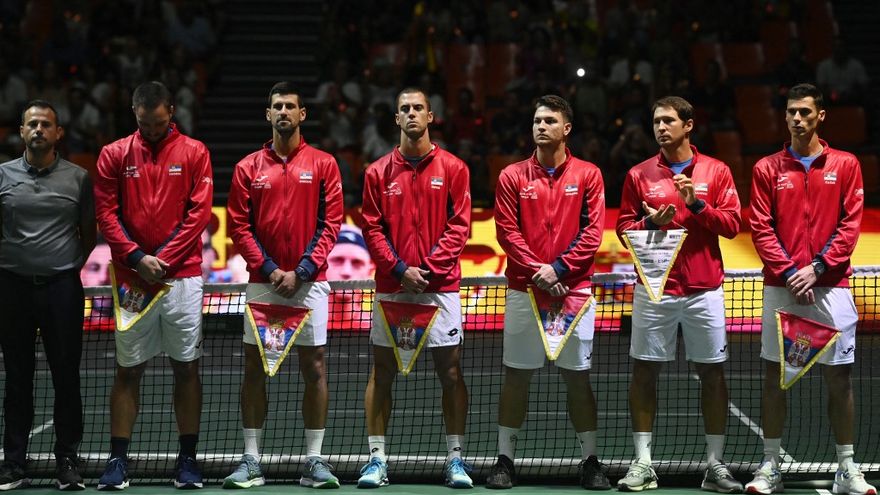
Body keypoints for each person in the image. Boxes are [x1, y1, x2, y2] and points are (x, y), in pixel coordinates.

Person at [747, 83, 875, 495]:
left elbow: (850, 225)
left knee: (840, 378)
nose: (797, 119)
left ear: (821, 115)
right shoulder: (767, 168)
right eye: (791, 112)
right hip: (782, 287)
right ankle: (770, 466)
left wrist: (817, 268)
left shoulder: (846, 164)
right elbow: (760, 226)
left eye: (804, 112)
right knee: (775, 377)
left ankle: (847, 468)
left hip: (831, 286)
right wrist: (790, 272)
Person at [615, 96, 742, 492]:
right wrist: (649, 223)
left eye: (668, 120)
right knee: (644, 372)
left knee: (712, 373)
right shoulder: (638, 174)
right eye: (656, 121)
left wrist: (697, 204)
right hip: (655, 289)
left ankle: (715, 465)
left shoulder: (716, 171)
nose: (660, 127)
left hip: (705, 290)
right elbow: (623, 229)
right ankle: (642, 463)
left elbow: (733, 225)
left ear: (688, 125)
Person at [93, 81, 213, 490]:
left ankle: (187, 460)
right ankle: (117, 460)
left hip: (182, 277)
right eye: (145, 124)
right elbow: (106, 213)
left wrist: (161, 259)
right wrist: (136, 258)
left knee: (187, 367)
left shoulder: (195, 152)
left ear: (171, 112)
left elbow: (199, 214)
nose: (152, 131)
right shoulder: (114, 154)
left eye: (159, 124)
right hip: (133, 280)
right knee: (128, 369)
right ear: (135, 113)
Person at [225, 81, 344, 489]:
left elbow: (332, 222)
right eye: (277, 106)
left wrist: (303, 270)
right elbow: (239, 226)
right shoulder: (247, 168)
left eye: (290, 106)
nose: (283, 112)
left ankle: (314, 460)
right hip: (264, 283)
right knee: (254, 368)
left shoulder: (324, 164)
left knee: (315, 367)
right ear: (268, 114)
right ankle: (251, 460)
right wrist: (271, 269)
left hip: (310, 283)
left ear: (302, 114)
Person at [487, 95, 609, 490]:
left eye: (550, 121)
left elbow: (593, 232)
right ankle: (505, 460)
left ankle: (590, 461)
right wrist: (539, 272)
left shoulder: (589, 174)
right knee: (516, 377)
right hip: (524, 289)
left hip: (574, 291)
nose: (541, 126)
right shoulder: (512, 176)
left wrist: (559, 269)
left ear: (566, 128)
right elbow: (507, 231)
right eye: (537, 120)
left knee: (578, 378)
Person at [359, 87, 472, 488]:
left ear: (430, 116)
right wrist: (399, 269)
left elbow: (460, 225)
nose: (411, 114)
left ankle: (455, 459)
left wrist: (427, 270)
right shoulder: (376, 173)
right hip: (393, 286)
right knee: (382, 372)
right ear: (396, 118)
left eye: (418, 108)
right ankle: (376, 460)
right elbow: (371, 228)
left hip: (440, 288)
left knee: (451, 372)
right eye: (404, 109)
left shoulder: (454, 168)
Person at [0, 100, 96, 491]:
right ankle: (14, 463)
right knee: (17, 377)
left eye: (46, 124)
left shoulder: (78, 178)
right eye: (32, 124)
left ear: (58, 133)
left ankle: (67, 461)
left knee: (66, 376)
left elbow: (88, 233)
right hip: (12, 288)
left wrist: (64, 267)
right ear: (22, 131)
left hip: (62, 289)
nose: (38, 129)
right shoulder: (2, 175)